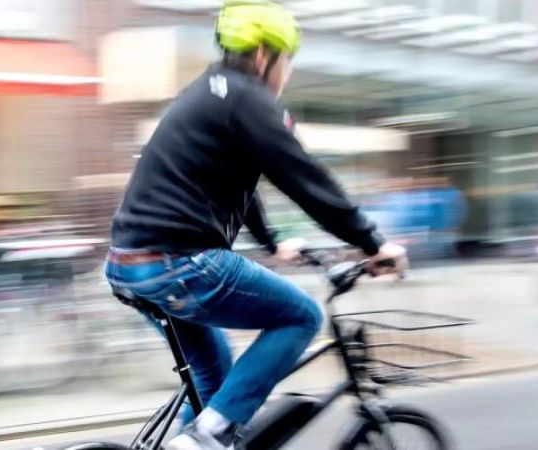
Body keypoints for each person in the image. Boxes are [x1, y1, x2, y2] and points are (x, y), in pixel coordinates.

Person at [105, 2, 408, 449]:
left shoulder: (209, 91)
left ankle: (192, 439)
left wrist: (274, 241)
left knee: (215, 380)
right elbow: (306, 179)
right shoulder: (250, 99)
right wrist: (373, 243)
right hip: (181, 263)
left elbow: (237, 180)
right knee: (301, 315)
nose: (287, 74)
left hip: (129, 264)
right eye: (288, 62)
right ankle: (208, 436)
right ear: (266, 55)